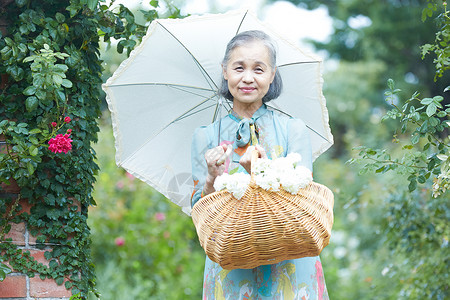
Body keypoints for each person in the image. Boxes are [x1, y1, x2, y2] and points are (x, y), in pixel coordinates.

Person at [191, 30, 329, 299]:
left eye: (258, 69)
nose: (248, 78)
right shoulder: (206, 136)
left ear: (272, 74)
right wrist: (211, 178)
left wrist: (260, 175)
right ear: (225, 71)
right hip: (232, 270)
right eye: (239, 67)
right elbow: (200, 215)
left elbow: (303, 205)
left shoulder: (293, 130)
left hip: (290, 266)